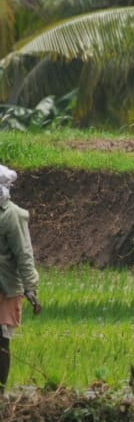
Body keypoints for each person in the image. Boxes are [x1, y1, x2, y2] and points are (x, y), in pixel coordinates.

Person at [0, 165, 41, 394]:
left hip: (5, 287)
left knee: (1, 341)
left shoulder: (12, 215)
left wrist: (30, 287)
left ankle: (0, 392)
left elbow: (23, 253)